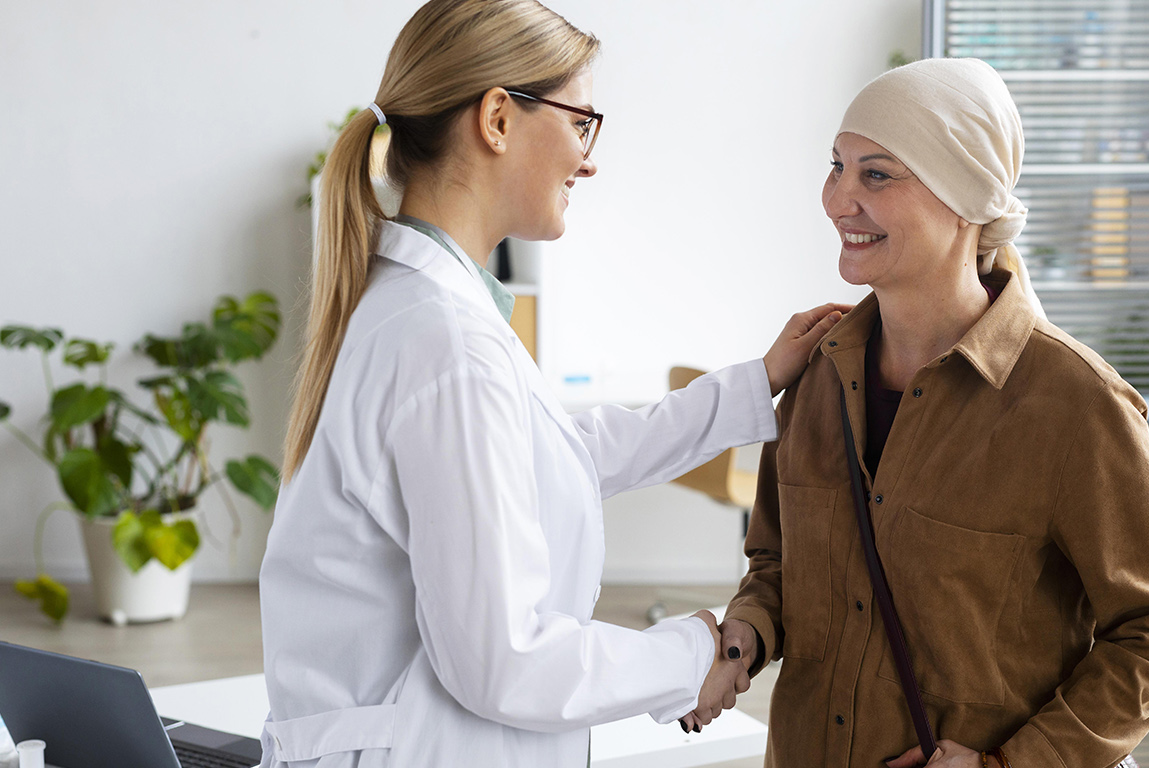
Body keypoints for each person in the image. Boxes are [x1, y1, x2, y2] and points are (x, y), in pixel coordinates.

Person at [257, 1, 847, 765]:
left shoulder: (415, 310)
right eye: (581, 122)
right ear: (498, 118)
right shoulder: (447, 344)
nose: (590, 158)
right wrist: (693, 652)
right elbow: (507, 661)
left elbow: (557, 455)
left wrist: (753, 385)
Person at [709, 59, 1149, 768]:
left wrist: (1020, 763)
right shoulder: (820, 372)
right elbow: (778, 558)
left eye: (876, 175)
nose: (836, 199)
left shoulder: (1073, 404)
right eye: (837, 167)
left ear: (965, 196)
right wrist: (748, 634)